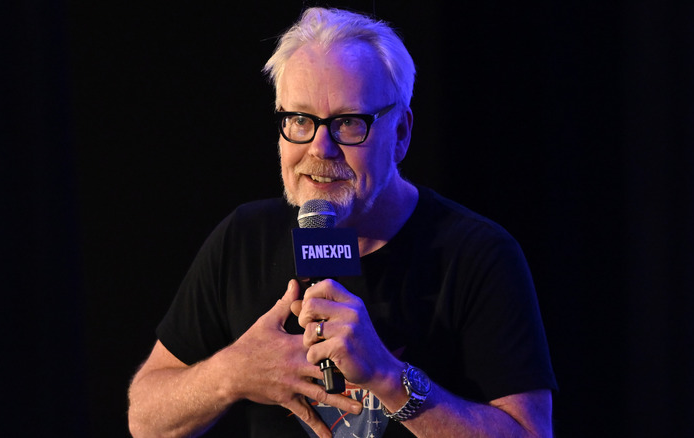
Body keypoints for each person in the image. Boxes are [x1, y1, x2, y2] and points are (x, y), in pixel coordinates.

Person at [127, 7, 557, 438]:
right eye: (299, 120)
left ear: (402, 133)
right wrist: (231, 372)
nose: (321, 148)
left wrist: (388, 377)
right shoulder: (244, 239)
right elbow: (145, 419)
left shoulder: (478, 255)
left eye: (348, 123)